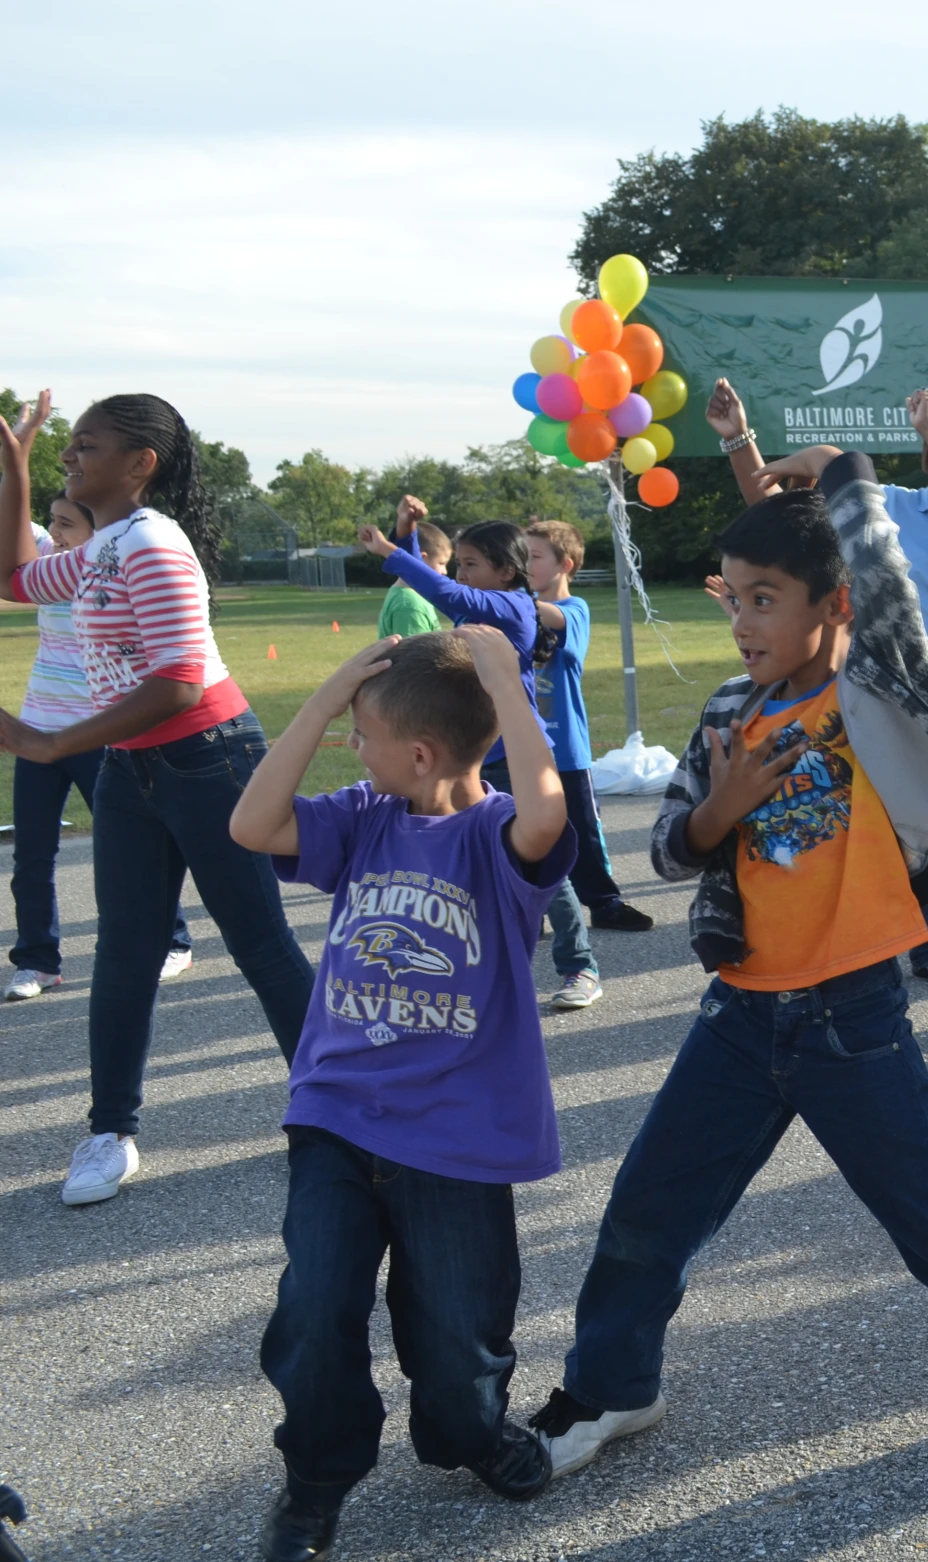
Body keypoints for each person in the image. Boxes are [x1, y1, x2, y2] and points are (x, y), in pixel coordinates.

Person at [530, 454, 928, 1477]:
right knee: (645, 1210)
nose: (746, 622)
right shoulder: (728, 711)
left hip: (854, 1017)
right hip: (740, 1014)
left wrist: (850, 480)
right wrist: (719, 809)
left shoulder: (881, 690)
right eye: (736, 600)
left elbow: (889, 591)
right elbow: (672, 848)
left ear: (832, 603)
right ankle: (611, 1384)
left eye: (768, 599)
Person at [228, 627, 577, 1557]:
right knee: (312, 1311)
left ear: (418, 753)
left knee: (460, 1345)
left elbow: (545, 815)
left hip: (456, 1140)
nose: (352, 747)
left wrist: (506, 679)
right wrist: (334, 688)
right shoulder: (362, 818)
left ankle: (469, 1433)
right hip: (337, 1116)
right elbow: (251, 825)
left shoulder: (494, 839)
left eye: (362, 733)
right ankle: (315, 1480)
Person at [0, 391, 317, 1207]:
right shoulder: (103, 545)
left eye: (87, 446)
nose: (73, 456)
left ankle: (337, 1111)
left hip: (210, 759)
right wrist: (17, 469)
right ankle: (110, 1133)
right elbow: (16, 579)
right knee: (125, 953)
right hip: (132, 770)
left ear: (140, 463)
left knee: (263, 947)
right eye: (69, 447)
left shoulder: (151, 545)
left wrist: (50, 743)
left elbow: (179, 684)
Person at [712, 381, 928, 1034]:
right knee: (888, 844)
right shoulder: (897, 507)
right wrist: (740, 440)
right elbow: (784, 519)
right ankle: (914, 949)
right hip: (908, 708)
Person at [358, 511, 603, 1011]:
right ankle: (482, 971)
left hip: (517, 757)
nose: (460, 573)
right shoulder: (485, 607)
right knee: (471, 867)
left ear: (506, 571)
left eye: (470, 564)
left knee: (538, 866)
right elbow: (438, 587)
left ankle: (580, 967)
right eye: (459, 563)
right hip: (476, 756)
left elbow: (448, 594)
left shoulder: (513, 608)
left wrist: (388, 550)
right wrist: (407, 535)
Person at [6, 497, 195, 1000]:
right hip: (39, 733)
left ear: (98, 532)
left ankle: (173, 941)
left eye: (66, 524)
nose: (54, 532)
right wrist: (16, 459)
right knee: (31, 856)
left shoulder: (114, 569)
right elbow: (13, 523)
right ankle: (37, 961)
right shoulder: (50, 562)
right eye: (51, 523)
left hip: (99, 736)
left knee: (132, 851)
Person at [525, 518, 656, 931]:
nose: (524, 563)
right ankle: (533, 909)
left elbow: (555, 623)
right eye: (521, 555)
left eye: (534, 556)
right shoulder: (514, 610)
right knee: (521, 829)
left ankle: (604, 903)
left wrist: (505, 594)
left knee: (581, 833)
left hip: (565, 749)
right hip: (520, 746)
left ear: (565, 564)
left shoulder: (573, 610)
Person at [377, 518, 449, 638]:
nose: (445, 572)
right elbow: (415, 655)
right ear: (422, 559)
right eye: (441, 563)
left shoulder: (414, 596)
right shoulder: (409, 604)